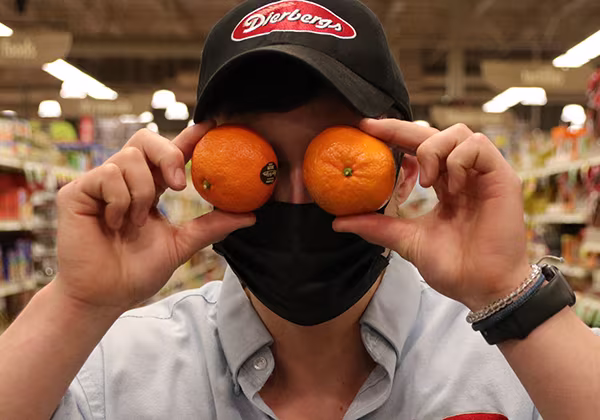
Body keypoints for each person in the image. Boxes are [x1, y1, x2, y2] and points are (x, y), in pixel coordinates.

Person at [1, 0, 599, 419]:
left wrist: (508, 291)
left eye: (329, 163)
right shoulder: (117, 368)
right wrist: (76, 305)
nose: (292, 197)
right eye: (257, 163)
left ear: (406, 170)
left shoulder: (518, 362)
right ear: (197, 170)